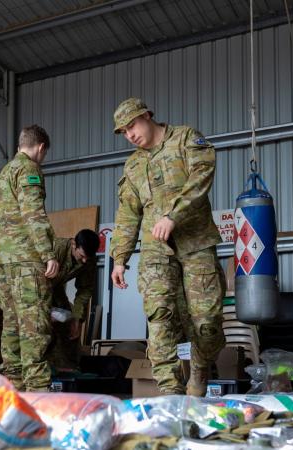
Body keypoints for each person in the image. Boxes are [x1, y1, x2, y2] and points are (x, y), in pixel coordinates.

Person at [109, 97, 225, 396]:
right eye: (123, 131)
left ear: (148, 115)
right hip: (155, 250)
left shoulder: (185, 138)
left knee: (207, 321)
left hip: (195, 242)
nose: (129, 135)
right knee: (159, 316)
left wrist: (173, 214)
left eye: (132, 125)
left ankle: (199, 370)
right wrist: (120, 258)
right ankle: (170, 392)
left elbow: (202, 176)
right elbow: (127, 214)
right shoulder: (133, 165)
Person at [0, 124, 58, 392]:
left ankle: (13, 384)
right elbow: (34, 213)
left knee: (11, 323)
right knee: (34, 323)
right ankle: (37, 388)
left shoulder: (4, 174)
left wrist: (3, 241)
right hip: (26, 262)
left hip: (5, 264)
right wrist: (48, 253)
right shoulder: (29, 169)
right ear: (41, 147)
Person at [47, 229, 99, 372]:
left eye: (88, 257)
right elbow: (35, 282)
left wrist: (77, 319)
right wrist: (45, 311)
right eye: (81, 256)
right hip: (35, 288)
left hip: (55, 288)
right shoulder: (55, 249)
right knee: (42, 324)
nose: (84, 261)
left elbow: (85, 290)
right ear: (73, 244)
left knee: (68, 321)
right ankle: (44, 370)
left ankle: (69, 368)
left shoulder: (88, 258)